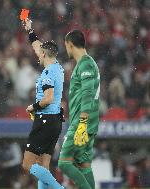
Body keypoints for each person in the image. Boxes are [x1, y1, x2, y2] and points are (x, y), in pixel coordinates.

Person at [21, 18, 64, 189]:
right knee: (43, 166)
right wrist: (30, 31)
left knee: (27, 164)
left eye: (40, 53)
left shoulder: (47, 73)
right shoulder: (58, 67)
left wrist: (33, 107)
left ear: (44, 55)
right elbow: (38, 46)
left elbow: (48, 98)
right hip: (55, 122)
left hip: (44, 120)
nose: (38, 54)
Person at [58, 30, 100, 189]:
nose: (66, 50)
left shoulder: (86, 63)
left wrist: (82, 123)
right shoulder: (86, 63)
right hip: (87, 123)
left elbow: (88, 94)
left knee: (63, 163)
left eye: (66, 46)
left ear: (70, 44)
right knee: (84, 166)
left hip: (81, 123)